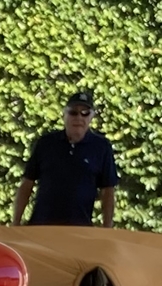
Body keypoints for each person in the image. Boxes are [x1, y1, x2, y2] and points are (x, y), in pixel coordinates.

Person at [12, 91, 119, 227]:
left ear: (91, 117)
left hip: (80, 230)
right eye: (73, 112)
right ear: (64, 115)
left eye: (85, 113)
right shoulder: (46, 143)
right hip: (41, 227)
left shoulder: (102, 147)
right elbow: (27, 183)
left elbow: (108, 191)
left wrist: (107, 227)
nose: (79, 117)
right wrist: (16, 221)